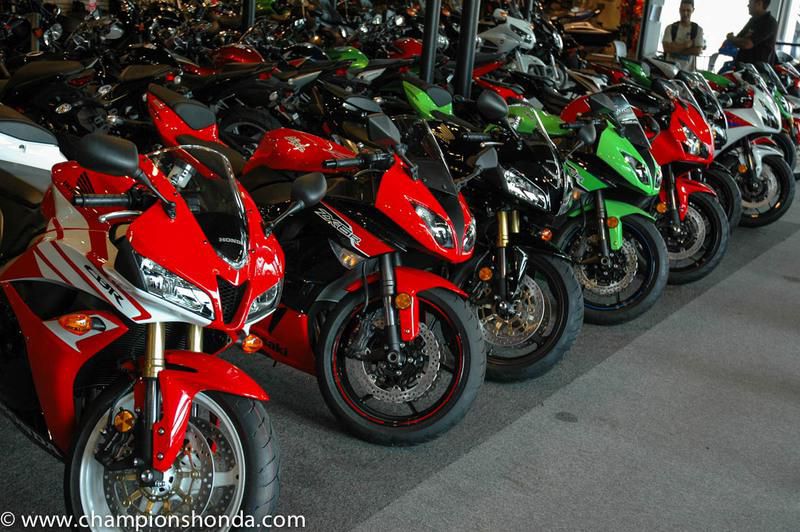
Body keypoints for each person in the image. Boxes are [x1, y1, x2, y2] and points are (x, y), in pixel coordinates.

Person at [662, 0, 704, 71]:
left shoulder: (698, 29)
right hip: (669, 70)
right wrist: (685, 46)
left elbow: (697, 51)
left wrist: (675, 48)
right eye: (683, 10)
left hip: (687, 72)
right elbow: (666, 48)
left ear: (693, 10)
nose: (685, 13)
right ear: (679, 10)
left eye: (688, 10)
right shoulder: (670, 28)